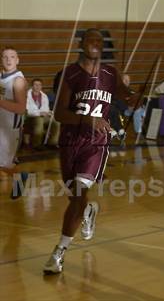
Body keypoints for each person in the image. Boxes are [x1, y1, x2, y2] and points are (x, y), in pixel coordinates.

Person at [43, 29, 137, 274]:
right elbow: (60, 113)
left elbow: (126, 97)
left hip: (96, 143)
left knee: (79, 191)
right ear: (81, 44)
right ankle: (88, 210)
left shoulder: (110, 74)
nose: (95, 43)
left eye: (99, 40)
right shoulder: (69, 74)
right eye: (90, 39)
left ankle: (59, 251)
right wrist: (88, 120)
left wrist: (134, 97)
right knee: (75, 196)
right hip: (70, 140)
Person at [0, 47, 28, 199]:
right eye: (5, 57)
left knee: (4, 164)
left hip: (10, 129)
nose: (9, 60)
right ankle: (18, 177)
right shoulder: (0, 76)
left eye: (12, 56)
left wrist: (1, 102)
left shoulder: (18, 81)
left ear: (17, 60)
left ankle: (20, 176)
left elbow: (21, 108)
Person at [25, 78, 60, 149]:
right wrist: (39, 113)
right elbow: (27, 111)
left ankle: (52, 143)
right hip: (30, 117)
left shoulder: (44, 96)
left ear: (41, 86)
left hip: (42, 116)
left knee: (56, 122)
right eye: (36, 85)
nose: (38, 86)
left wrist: (48, 112)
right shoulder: (26, 96)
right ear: (32, 86)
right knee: (39, 120)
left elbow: (46, 108)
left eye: (39, 85)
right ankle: (36, 145)